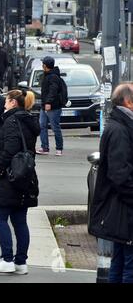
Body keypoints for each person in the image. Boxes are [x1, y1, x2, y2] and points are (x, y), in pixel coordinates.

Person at [0, 89, 40, 275]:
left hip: (10, 176)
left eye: (7, 101)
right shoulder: (29, 121)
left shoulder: (11, 121)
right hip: (26, 175)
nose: (4, 104)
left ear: (13, 103)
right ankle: (21, 262)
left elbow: (9, 149)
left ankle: (7, 259)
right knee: (19, 220)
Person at [88, 83, 133, 283]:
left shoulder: (119, 125)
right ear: (128, 101)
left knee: (121, 261)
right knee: (128, 267)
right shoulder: (120, 130)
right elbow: (120, 174)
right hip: (124, 208)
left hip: (121, 208)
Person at [36, 56, 64, 156]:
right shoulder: (47, 75)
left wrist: (48, 102)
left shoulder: (53, 76)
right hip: (44, 106)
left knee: (55, 127)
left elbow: (53, 91)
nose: (42, 65)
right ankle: (45, 147)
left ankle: (59, 148)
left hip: (53, 107)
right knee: (42, 125)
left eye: (43, 64)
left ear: (45, 65)